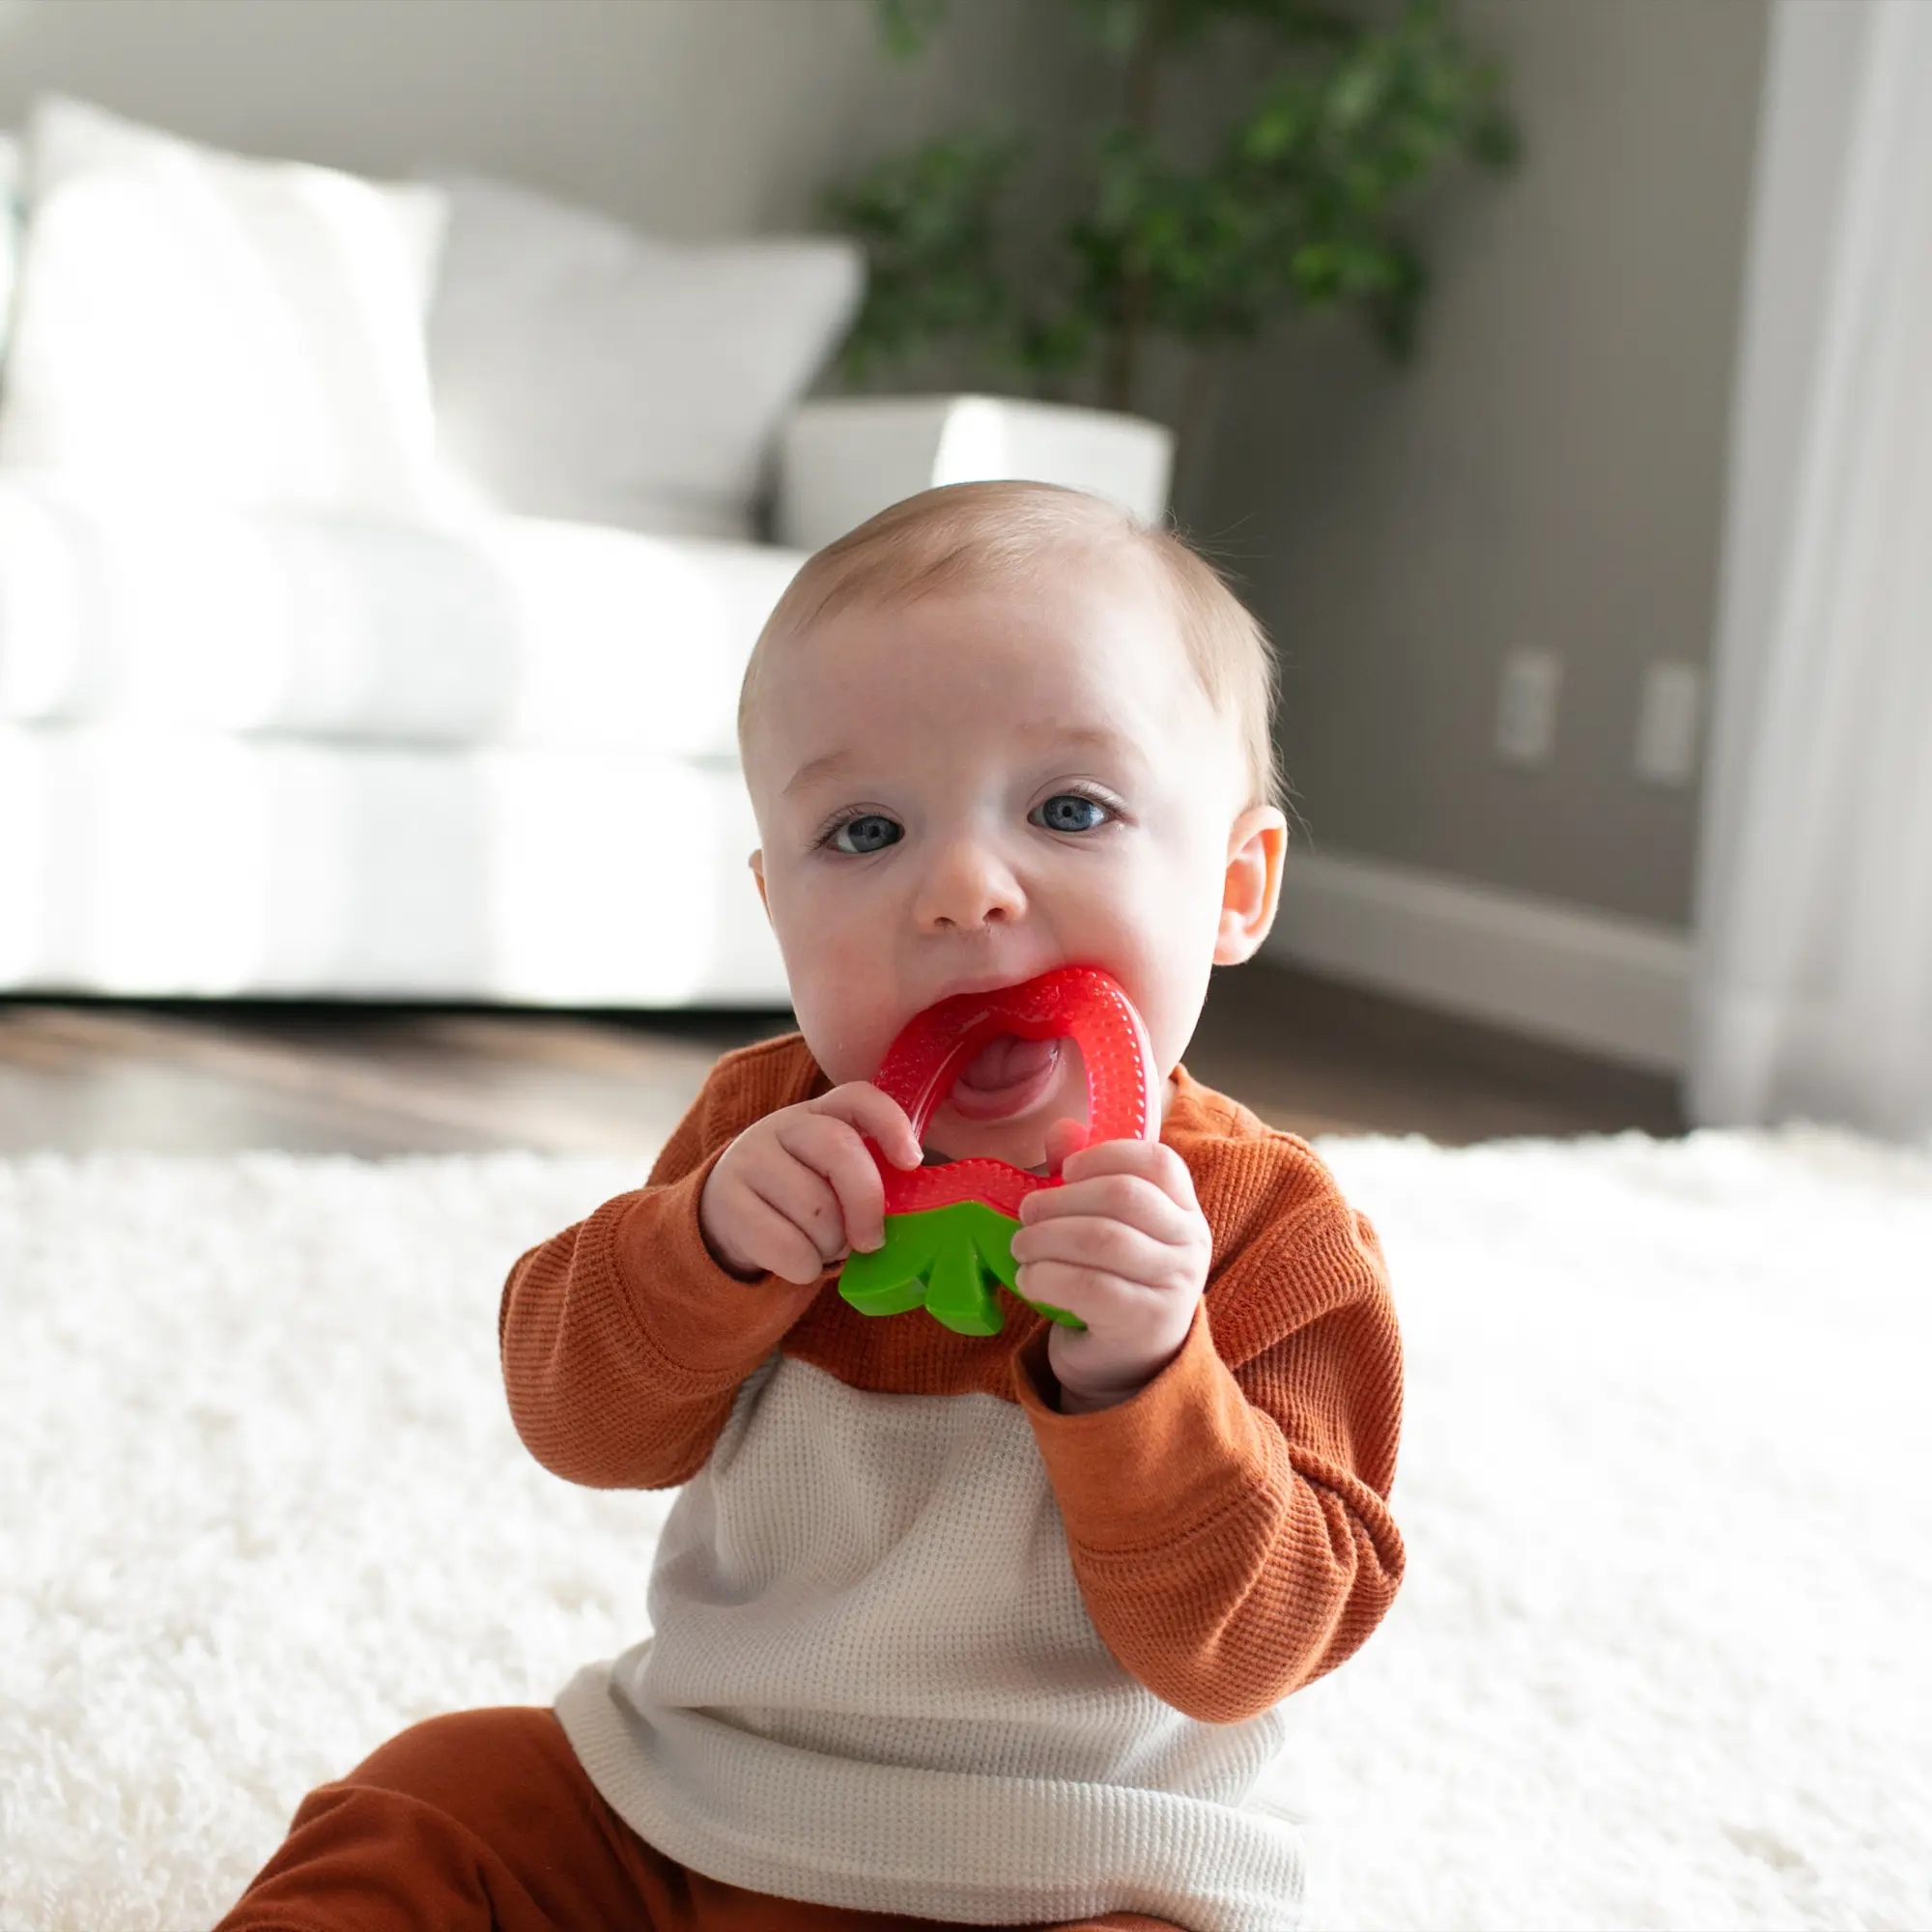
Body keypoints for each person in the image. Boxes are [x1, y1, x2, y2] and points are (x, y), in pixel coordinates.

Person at [216, 481, 1406, 1932]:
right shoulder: (762, 1140)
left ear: (1234, 886)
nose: (963, 888)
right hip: (702, 1805)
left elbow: (1260, 1646)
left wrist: (1144, 1382)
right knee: (441, 1789)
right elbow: (578, 1424)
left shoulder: (1274, 1233)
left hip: (1074, 1866)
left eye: (1070, 809)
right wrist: (706, 1251)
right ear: (776, 906)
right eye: (865, 831)